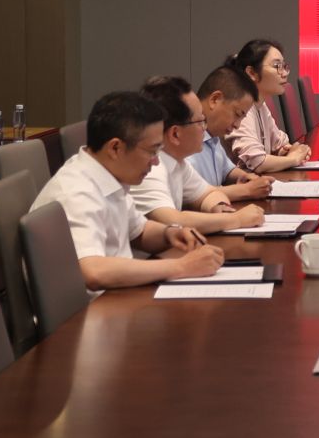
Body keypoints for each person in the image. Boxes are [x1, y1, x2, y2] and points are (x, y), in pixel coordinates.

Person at [31, 90, 225, 291]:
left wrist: (170, 234)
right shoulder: (77, 193)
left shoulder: (109, 174)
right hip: (95, 305)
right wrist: (181, 267)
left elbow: (139, 231)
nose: (156, 161)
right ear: (115, 148)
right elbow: (93, 272)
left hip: (119, 294)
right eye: (152, 151)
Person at [137, 76, 267, 234]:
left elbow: (209, 194)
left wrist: (219, 207)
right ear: (175, 134)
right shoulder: (149, 168)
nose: (205, 128)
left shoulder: (177, 162)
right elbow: (172, 222)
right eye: (200, 122)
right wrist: (236, 219)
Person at [186, 66, 275, 202]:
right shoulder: (186, 140)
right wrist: (247, 190)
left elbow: (227, 170)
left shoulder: (212, 136)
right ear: (215, 99)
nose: (237, 125)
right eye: (237, 114)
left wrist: (247, 178)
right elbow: (194, 195)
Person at [226, 39, 312, 173]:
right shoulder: (240, 109)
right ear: (252, 73)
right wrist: (293, 159)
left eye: (284, 66)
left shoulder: (261, 103)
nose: (284, 73)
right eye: (277, 66)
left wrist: (288, 150)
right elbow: (257, 162)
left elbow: (279, 143)